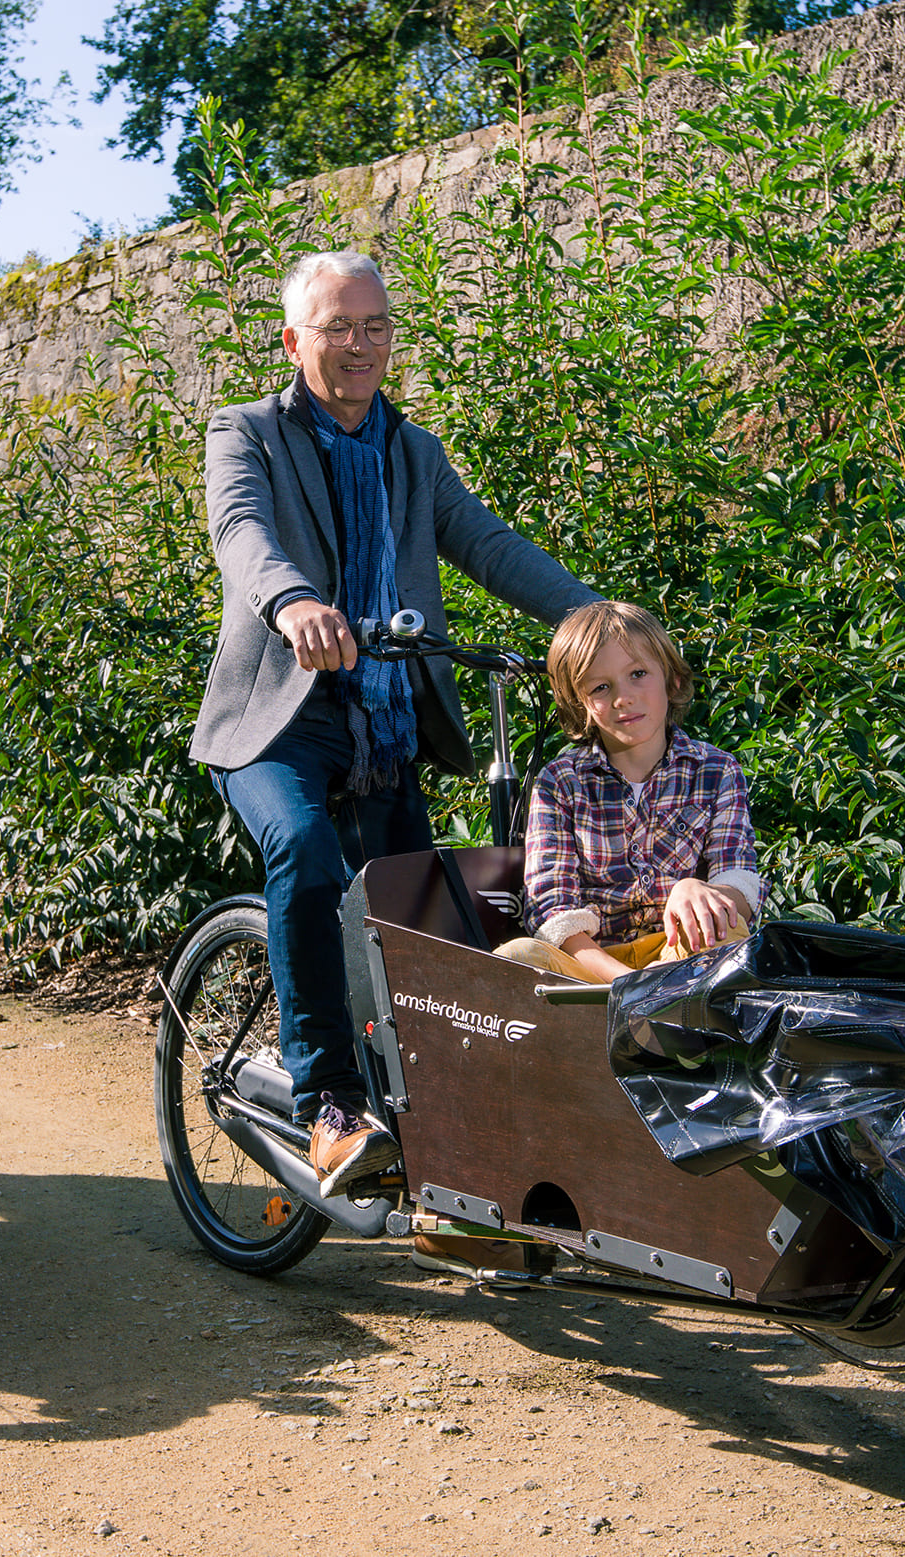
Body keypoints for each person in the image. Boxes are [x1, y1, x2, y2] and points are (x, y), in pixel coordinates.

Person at [194, 248, 600, 1197]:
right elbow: (241, 534)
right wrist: (294, 603)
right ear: (295, 340)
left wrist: (597, 620)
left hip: (384, 729)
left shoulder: (413, 454)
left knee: (424, 916)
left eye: (375, 327)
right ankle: (327, 1102)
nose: (360, 345)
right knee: (302, 847)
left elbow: (488, 546)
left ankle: (435, 1120)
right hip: (276, 724)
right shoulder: (245, 433)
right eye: (338, 327)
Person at [494, 601, 761, 982]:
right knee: (515, 956)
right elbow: (553, 911)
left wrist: (697, 889)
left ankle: (672, 1006)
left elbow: (739, 879)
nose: (624, 697)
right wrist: (626, 983)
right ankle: (636, 1007)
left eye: (638, 674)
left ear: (673, 679)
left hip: (681, 952)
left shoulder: (716, 770)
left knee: (727, 926)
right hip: (592, 966)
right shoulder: (560, 782)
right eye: (601, 687)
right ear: (580, 703)